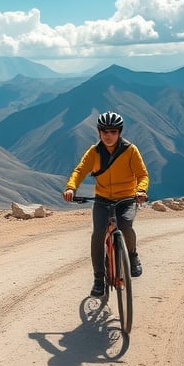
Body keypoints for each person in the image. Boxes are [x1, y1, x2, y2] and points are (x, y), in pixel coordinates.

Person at [63, 111, 149, 297]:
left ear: (119, 132)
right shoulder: (94, 152)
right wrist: (71, 188)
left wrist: (140, 191)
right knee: (98, 235)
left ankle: (132, 256)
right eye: (104, 132)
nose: (108, 136)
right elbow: (80, 171)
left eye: (112, 131)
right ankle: (98, 279)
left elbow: (142, 175)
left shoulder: (130, 150)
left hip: (126, 198)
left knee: (125, 225)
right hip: (102, 199)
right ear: (98, 132)